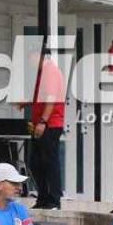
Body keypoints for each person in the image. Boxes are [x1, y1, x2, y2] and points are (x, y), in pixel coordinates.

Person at [26, 51, 64, 209]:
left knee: (49, 162)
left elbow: (51, 98)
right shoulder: (40, 74)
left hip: (50, 124)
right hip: (39, 124)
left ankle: (54, 200)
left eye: (30, 56)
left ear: (39, 55)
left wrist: (43, 121)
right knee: (35, 162)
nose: (29, 61)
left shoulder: (50, 71)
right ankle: (43, 197)